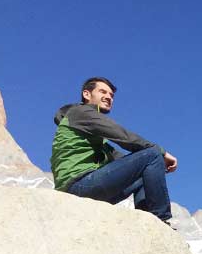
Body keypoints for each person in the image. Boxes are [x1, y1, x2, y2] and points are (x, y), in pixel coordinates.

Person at [51, 77, 177, 223]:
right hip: (77, 185)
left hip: (84, 186)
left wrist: (154, 167)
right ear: (87, 94)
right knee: (153, 154)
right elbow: (122, 136)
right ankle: (161, 220)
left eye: (111, 95)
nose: (109, 97)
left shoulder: (91, 134)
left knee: (145, 169)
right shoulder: (81, 113)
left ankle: (147, 221)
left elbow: (120, 158)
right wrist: (162, 153)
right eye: (102, 92)